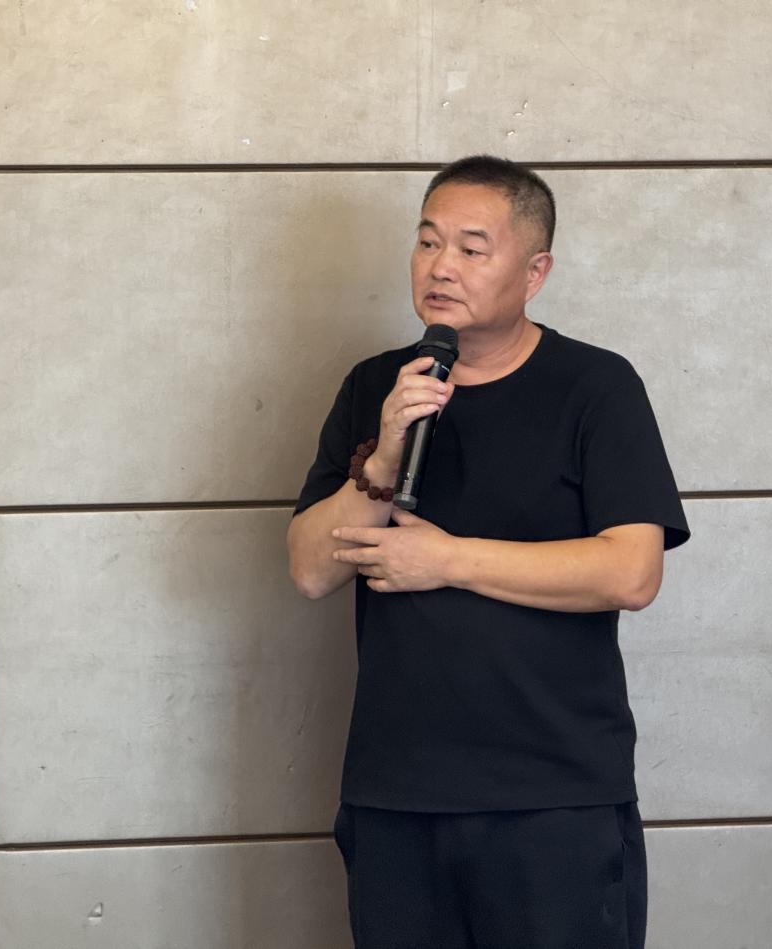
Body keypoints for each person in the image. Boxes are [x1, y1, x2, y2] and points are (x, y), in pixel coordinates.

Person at [286, 154, 691, 949]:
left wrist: (450, 560)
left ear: (534, 272)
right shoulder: (376, 386)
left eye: (472, 248)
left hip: (553, 796)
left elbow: (632, 571)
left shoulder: (596, 387)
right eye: (427, 241)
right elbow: (308, 569)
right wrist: (382, 457)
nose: (441, 266)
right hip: (396, 796)